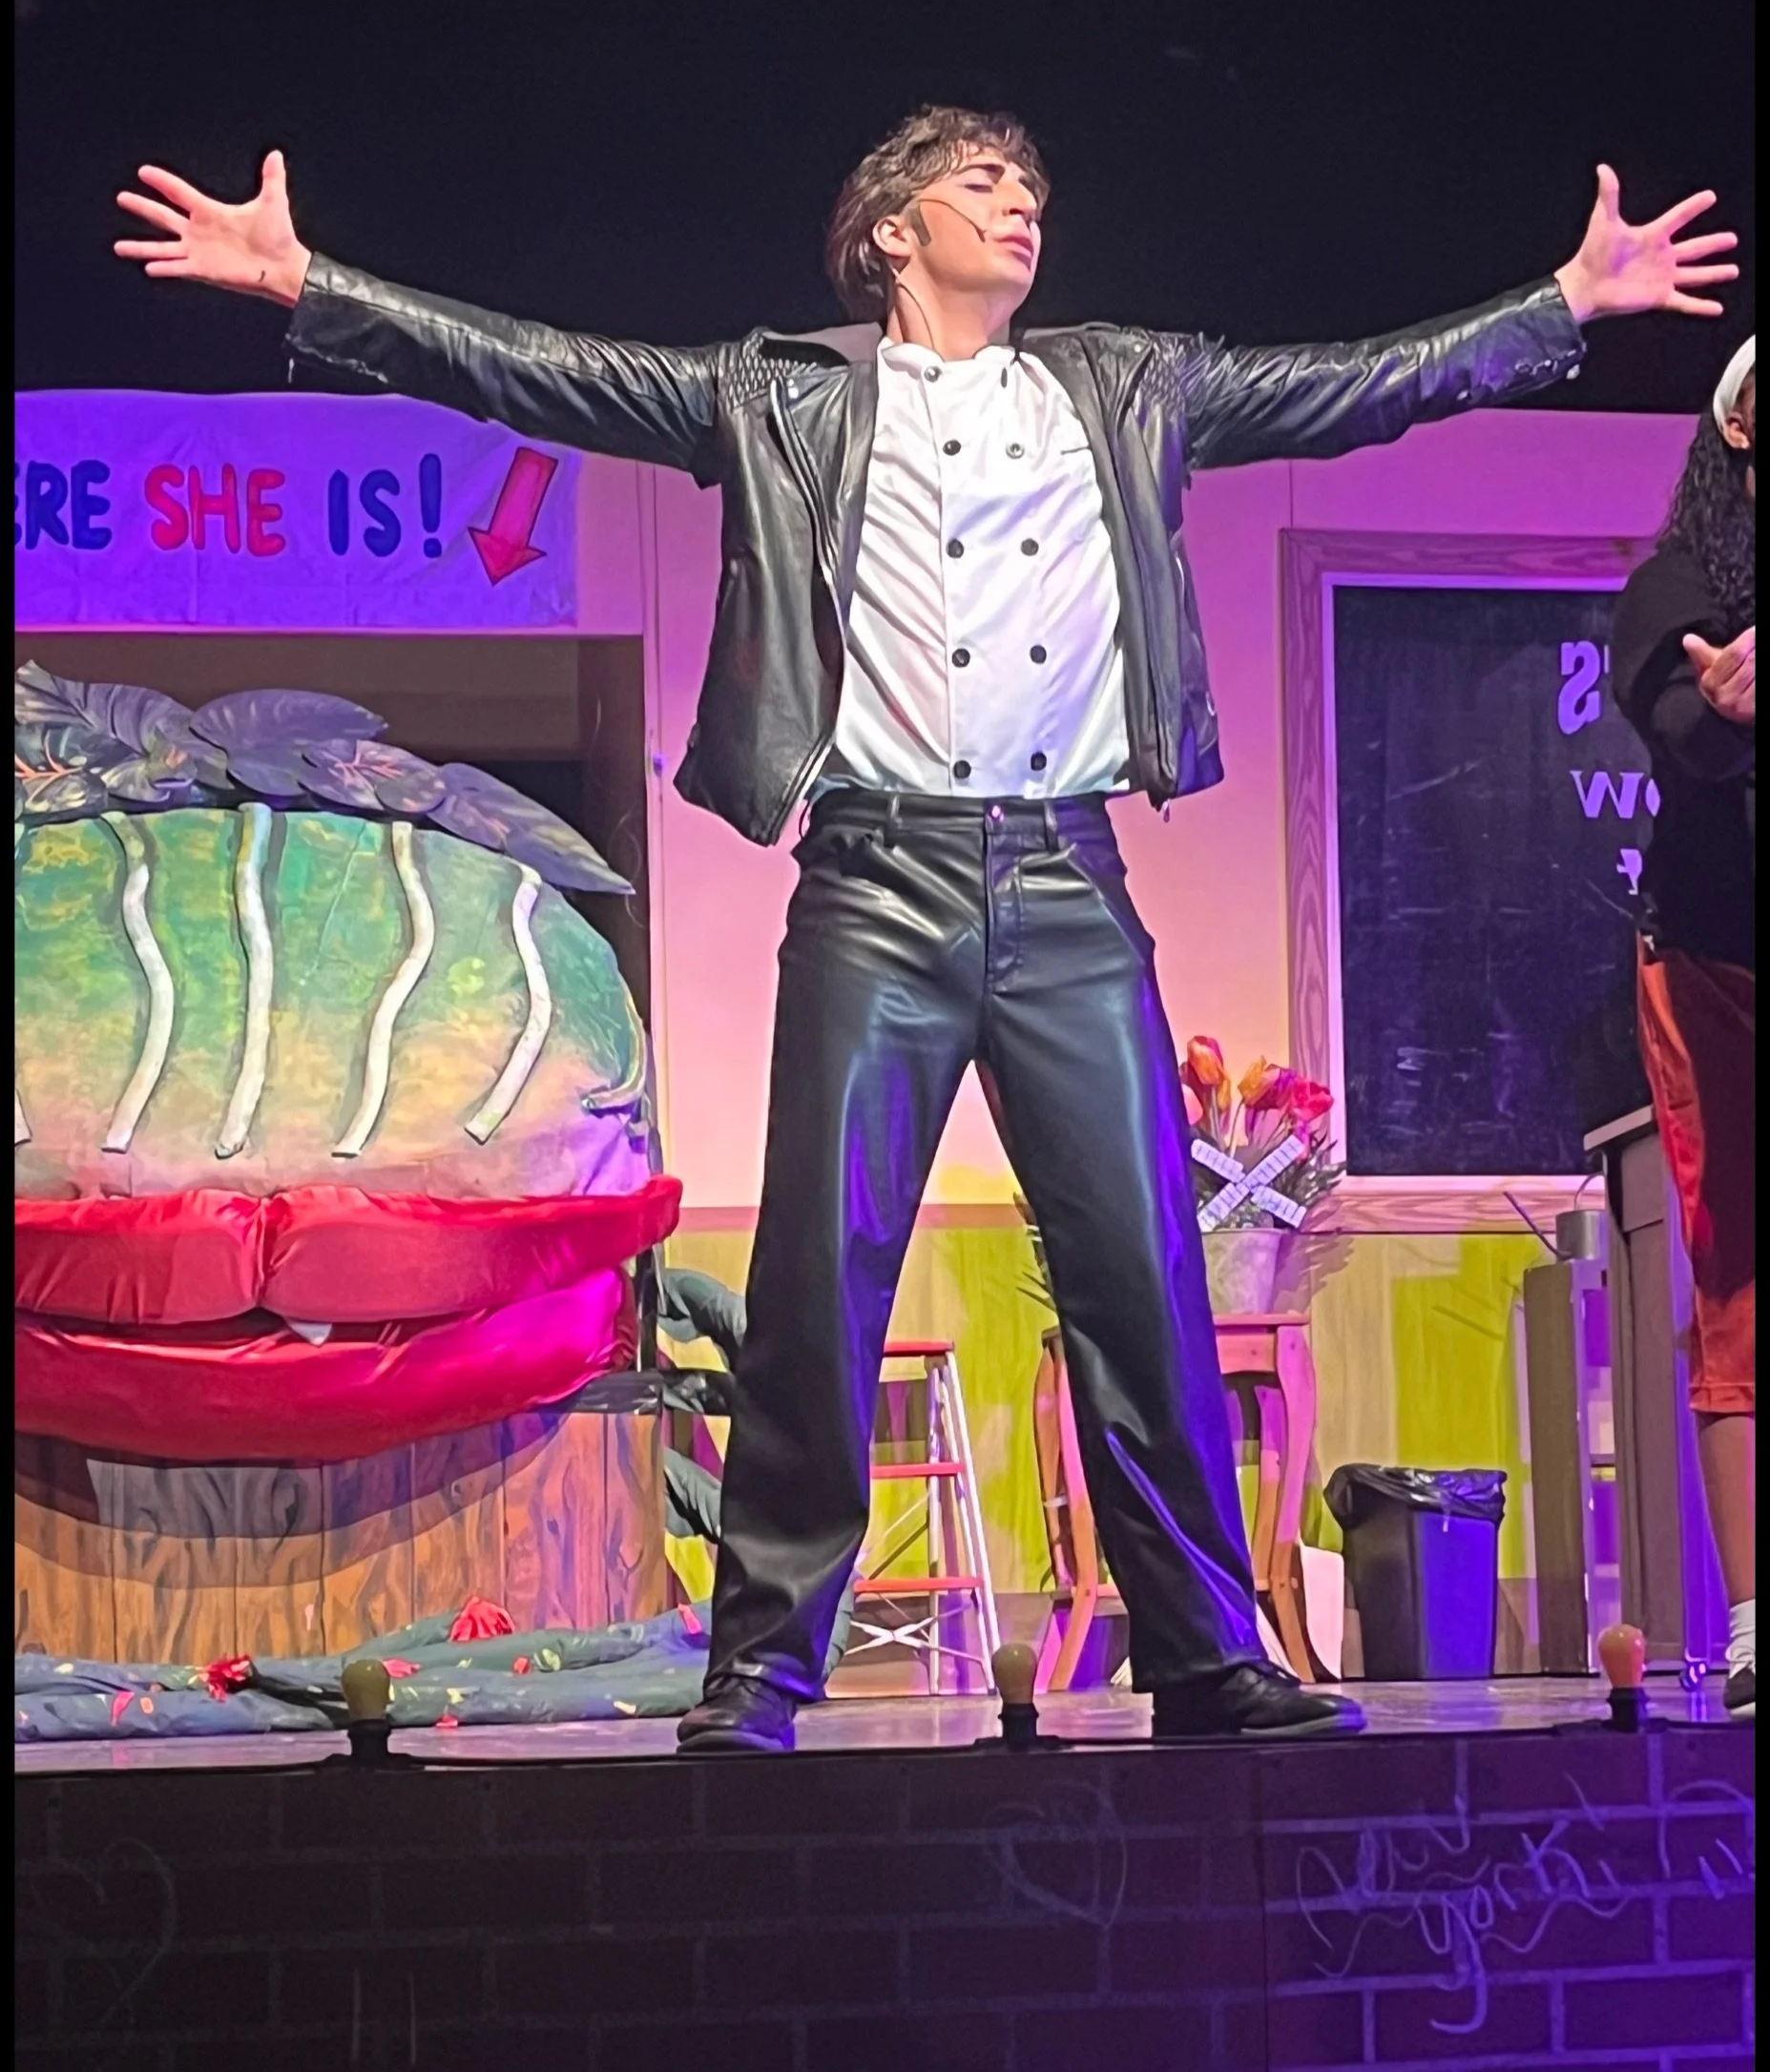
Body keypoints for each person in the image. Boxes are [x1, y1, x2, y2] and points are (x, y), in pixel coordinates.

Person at [115, 111, 1736, 1751]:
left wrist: (1562, 305)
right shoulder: (781, 400)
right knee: (821, 1278)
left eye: (1032, 186)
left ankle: (1200, 1656)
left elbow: (1358, 385)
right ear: (891, 232)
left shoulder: (1124, 385)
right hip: (871, 882)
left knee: (1140, 1279)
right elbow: (539, 370)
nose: (1021, 205)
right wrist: (306, 282)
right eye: (981, 184)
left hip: (1066, 880)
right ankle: (764, 1666)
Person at [1612, 338, 1755, 1722]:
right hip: (1719, 960)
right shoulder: (1682, 583)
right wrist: (1721, 710)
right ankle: (1757, 1622)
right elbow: (1673, 720)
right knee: (1739, 1274)